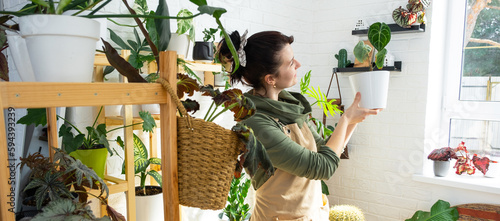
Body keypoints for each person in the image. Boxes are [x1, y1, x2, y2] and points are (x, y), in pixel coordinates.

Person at [218, 30, 381, 221]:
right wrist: (345, 119)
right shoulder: (257, 123)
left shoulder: (291, 107)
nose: (298, 64)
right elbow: (323, 167)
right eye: (290, 62)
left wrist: (352, 122)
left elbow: (327, 151)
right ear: (271, 79)